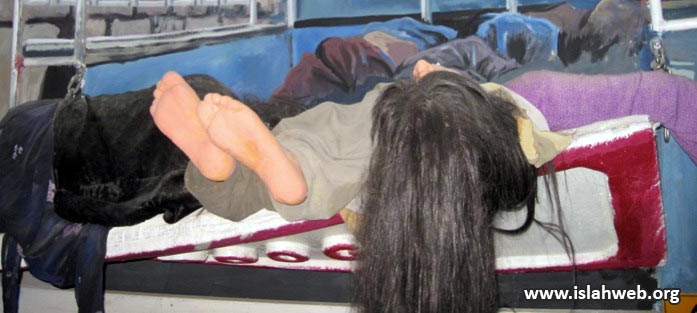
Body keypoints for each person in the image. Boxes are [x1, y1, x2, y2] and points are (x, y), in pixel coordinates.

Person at [148, 61, 571, 313]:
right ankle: (240, 169)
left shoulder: (495, 113)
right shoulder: (435, 237)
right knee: (323, 166)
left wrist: (438, 83)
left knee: (343, 134)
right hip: (411, 179)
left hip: (405, 156)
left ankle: (246, 168)